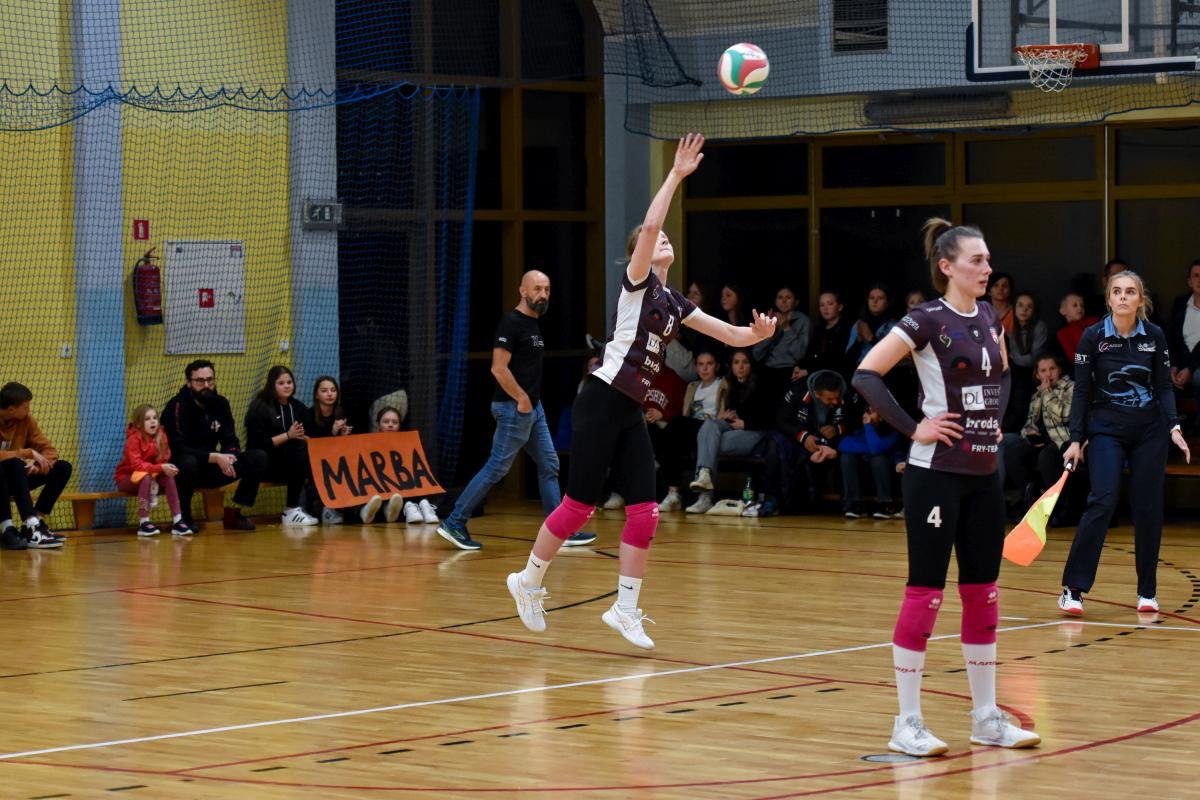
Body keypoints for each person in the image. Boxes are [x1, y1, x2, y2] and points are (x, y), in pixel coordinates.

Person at [504, 133, 775, 649]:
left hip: (630, 406)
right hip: (601, 397)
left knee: (646, 510)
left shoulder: (674, 303)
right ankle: (528, 580)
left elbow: (730, 334)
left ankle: (625, 608)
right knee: (579, 506)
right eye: (656, 239)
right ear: (640, 255)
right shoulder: (638, 283)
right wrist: (675, 174)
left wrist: (757, 334)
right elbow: (650, 226)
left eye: (669, 238)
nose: (663, 238)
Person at [853, 217, 1040, 757]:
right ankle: (906, 722)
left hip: (984, 476)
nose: (987, 268)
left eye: (987, 259)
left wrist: (994, 423)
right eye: (977, 260)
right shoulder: (925, 320)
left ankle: (986, 718)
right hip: (935, 475)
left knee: (983, 594)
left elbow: (1003, 372)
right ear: (947, 266)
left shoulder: (988, 315)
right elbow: (866, 374)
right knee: (926, 593)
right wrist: (915, 427)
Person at [1058, 270, 1190, 616]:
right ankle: (1073, 589)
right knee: (1102, 500)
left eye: (1130, 292)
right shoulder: (1092, 337)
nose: (1123, 297)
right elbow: (1082, 390)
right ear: (1108, 299)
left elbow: (1164, 386)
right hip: (1106, 430)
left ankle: (1147, 592)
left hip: (1150, 431)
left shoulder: (1155, 336)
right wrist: (1076, 438)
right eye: (1116, 291)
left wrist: (1174, 426)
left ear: (1140, 300)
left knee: (1148, 508)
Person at [436, 270, 595, 551]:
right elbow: (498, 368)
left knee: (549, 465)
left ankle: (558, 531)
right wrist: (521, 399)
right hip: (514, 408)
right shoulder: (511, 323)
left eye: (547, 289)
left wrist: (530, 403)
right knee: (497, 466)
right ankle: (454, 522)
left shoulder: (533, 324)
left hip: (533, 408)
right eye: (537, 289)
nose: (543, 295)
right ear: (522, 290)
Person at [162, 360, 267, 531]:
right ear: (188, 383)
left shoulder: (221, 403)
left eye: (210, 380)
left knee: (258, 457)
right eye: (200, 381)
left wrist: (230, 456)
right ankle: (184, 518)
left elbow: (230, 438)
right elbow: (176, 447)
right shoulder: (176, 406)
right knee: (187, 462)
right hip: (184, 469)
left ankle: (235, 513)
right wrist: (213, 457)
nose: (206, 385)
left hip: (214, 467)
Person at [750, 369, 846, 517]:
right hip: (798, 437)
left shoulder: (847, 392)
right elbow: (781, 420)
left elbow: (856, 419)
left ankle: (813, 502)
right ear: (816, 394)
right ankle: (771, 499)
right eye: (829, 399)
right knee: (775, 446)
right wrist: (803, 436)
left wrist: (837, 428)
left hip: (832, 442)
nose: (834, 402)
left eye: (836, 398)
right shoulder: (797, 390)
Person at [687, 350, 773, 513]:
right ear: (731, 366)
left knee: (709, 444)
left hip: (754, 432)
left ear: (751, 365)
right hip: (732, 426)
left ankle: (705, 498)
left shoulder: (762, 384)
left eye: (745, 362)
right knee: (710, 425)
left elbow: (770, 418)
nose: (740, 366)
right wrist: (725, 417)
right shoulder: (729, 384)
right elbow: (731, 412)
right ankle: (704, 476)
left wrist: (746, 423)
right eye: (736, 362)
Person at [1000, 353, 1075, 520]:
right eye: (1043, 370)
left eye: (1052, 369)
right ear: (1037, 374)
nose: (1048, 374)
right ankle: (1031, 495)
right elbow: (1028, 423)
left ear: (1059, 370)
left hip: (1062, 442)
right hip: (1039, 443)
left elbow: (1064, 416)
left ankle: (1060, 509)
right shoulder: (1037, 394)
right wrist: (1029, 433)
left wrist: (1047, 393)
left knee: (1046, 457)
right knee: (1012, 453)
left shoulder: (1069, 387)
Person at [244, 366, 319, 526]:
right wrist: (288, 435)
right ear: (272, 385)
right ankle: (291, 510)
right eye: (281, 383)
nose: (286, 386)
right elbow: (257, 445)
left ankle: (321, 508)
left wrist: (302, 437)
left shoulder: (298, 407)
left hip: (290, 465)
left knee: (304, 452)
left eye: (289, 382)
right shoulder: (260, 407)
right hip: (264, 465)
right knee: (296, 451)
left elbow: (310, 437)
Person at [0, 382, 69, 548]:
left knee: (62, 468)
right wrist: (28, 453)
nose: (29, 410)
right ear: (11, 410)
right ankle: (7, 528)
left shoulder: (26, 421)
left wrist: (38, 466)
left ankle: (34, 524)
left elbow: (49, 450)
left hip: (17, 478)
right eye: (25, 407)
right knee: (14, 464)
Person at [114, 404, 193, 536]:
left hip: (152, 475)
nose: (152, 421)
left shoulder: (161, 436)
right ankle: (144, 522)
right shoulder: (133, 440)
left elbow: (163, 459)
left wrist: (166, 468)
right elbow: (137, 465)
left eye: (155, 418)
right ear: (138, 424)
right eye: (147, 419)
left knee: (168, 477)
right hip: (127, 478)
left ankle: (178, 521)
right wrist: (160, 468)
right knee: (145, 477)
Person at [373, 406, 434, 525]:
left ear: (399, 425)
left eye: (394, 422)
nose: (390, 425)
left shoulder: (409, 446)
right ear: (378, 424)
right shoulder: (368, 445)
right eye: (386, 421)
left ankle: (413, 506)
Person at [838, 405, 902, 519]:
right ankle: (856, 504)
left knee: (878, 459)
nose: (866, 415)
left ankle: (885, 504)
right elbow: (843, 445)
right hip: (864, 475)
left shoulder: (891, 434)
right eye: (866, 411)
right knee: (846, 457)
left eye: (871, 412)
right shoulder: (860, 430)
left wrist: (868, 427)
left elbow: (875, 449)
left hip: (885, 476)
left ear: (881, 417)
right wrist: (870, 447)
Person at [308, 376, 353, 523]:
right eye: (324, 391)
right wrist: (332, 432)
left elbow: (348, 446)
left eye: (333, 390)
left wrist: (344, 436)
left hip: (339, 460)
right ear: (316, 395)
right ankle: (327, 509)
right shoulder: (309, 415)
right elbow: (314, 445)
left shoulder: (342, 413)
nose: (329, 394)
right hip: (317, 463)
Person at [752, 285, 811, 397]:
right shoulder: (770, 319)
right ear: (775, 301)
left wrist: (787, 328)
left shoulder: (803, 321)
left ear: (796, 302)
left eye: (788, 297)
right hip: (768, 371)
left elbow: (800, 354)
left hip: (790, 372)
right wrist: (770, 331)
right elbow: (756, 354)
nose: (784, 301)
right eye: (780, 297)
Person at [1004, 291, 1049, 433]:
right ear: (1014, 308)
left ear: (1034, 311)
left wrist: (1013, 358)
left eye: (1029, 306)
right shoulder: (1011, 328)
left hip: (1033, 373)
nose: (1024, 310)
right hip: (1016, 372)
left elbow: (1034, 359)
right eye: (1020, 305)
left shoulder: (1040, 326)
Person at [795, 290, 854, 382]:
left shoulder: (847, 328)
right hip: (815, 373)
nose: (825, 308)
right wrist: (799, 366)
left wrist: (808, 371)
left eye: (830, 304)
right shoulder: (819, 329)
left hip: (835, 376)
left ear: (840, 307)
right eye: (822, 305)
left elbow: (837, 360)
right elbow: (810, 354)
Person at [1167, 259, 1200, 408]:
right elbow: (1171, 339)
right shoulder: (1180, 304)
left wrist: (1190, 369)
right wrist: (1173, 365)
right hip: (1180, 364)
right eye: (1196, 276)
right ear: (1189, 281)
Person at [1055, 292, 1099, 364]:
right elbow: (1073, 357)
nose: (1080, 308)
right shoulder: (1063, 333)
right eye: (1075, 305)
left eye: (1082, 306)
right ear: (1063, 311)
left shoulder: (1094, 321)